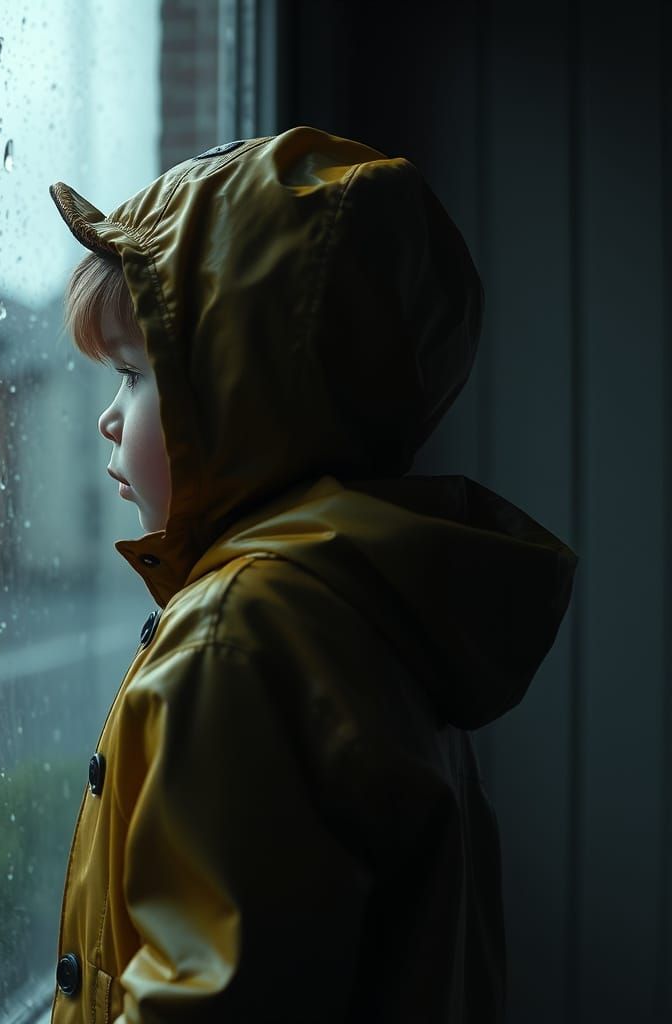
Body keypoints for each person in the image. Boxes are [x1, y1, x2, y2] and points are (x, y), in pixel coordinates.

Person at [46, 125, 578, 1023]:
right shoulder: (361, 607)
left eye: (135, 376)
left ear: (248, 401)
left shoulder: (237, 639)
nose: (108, 418)